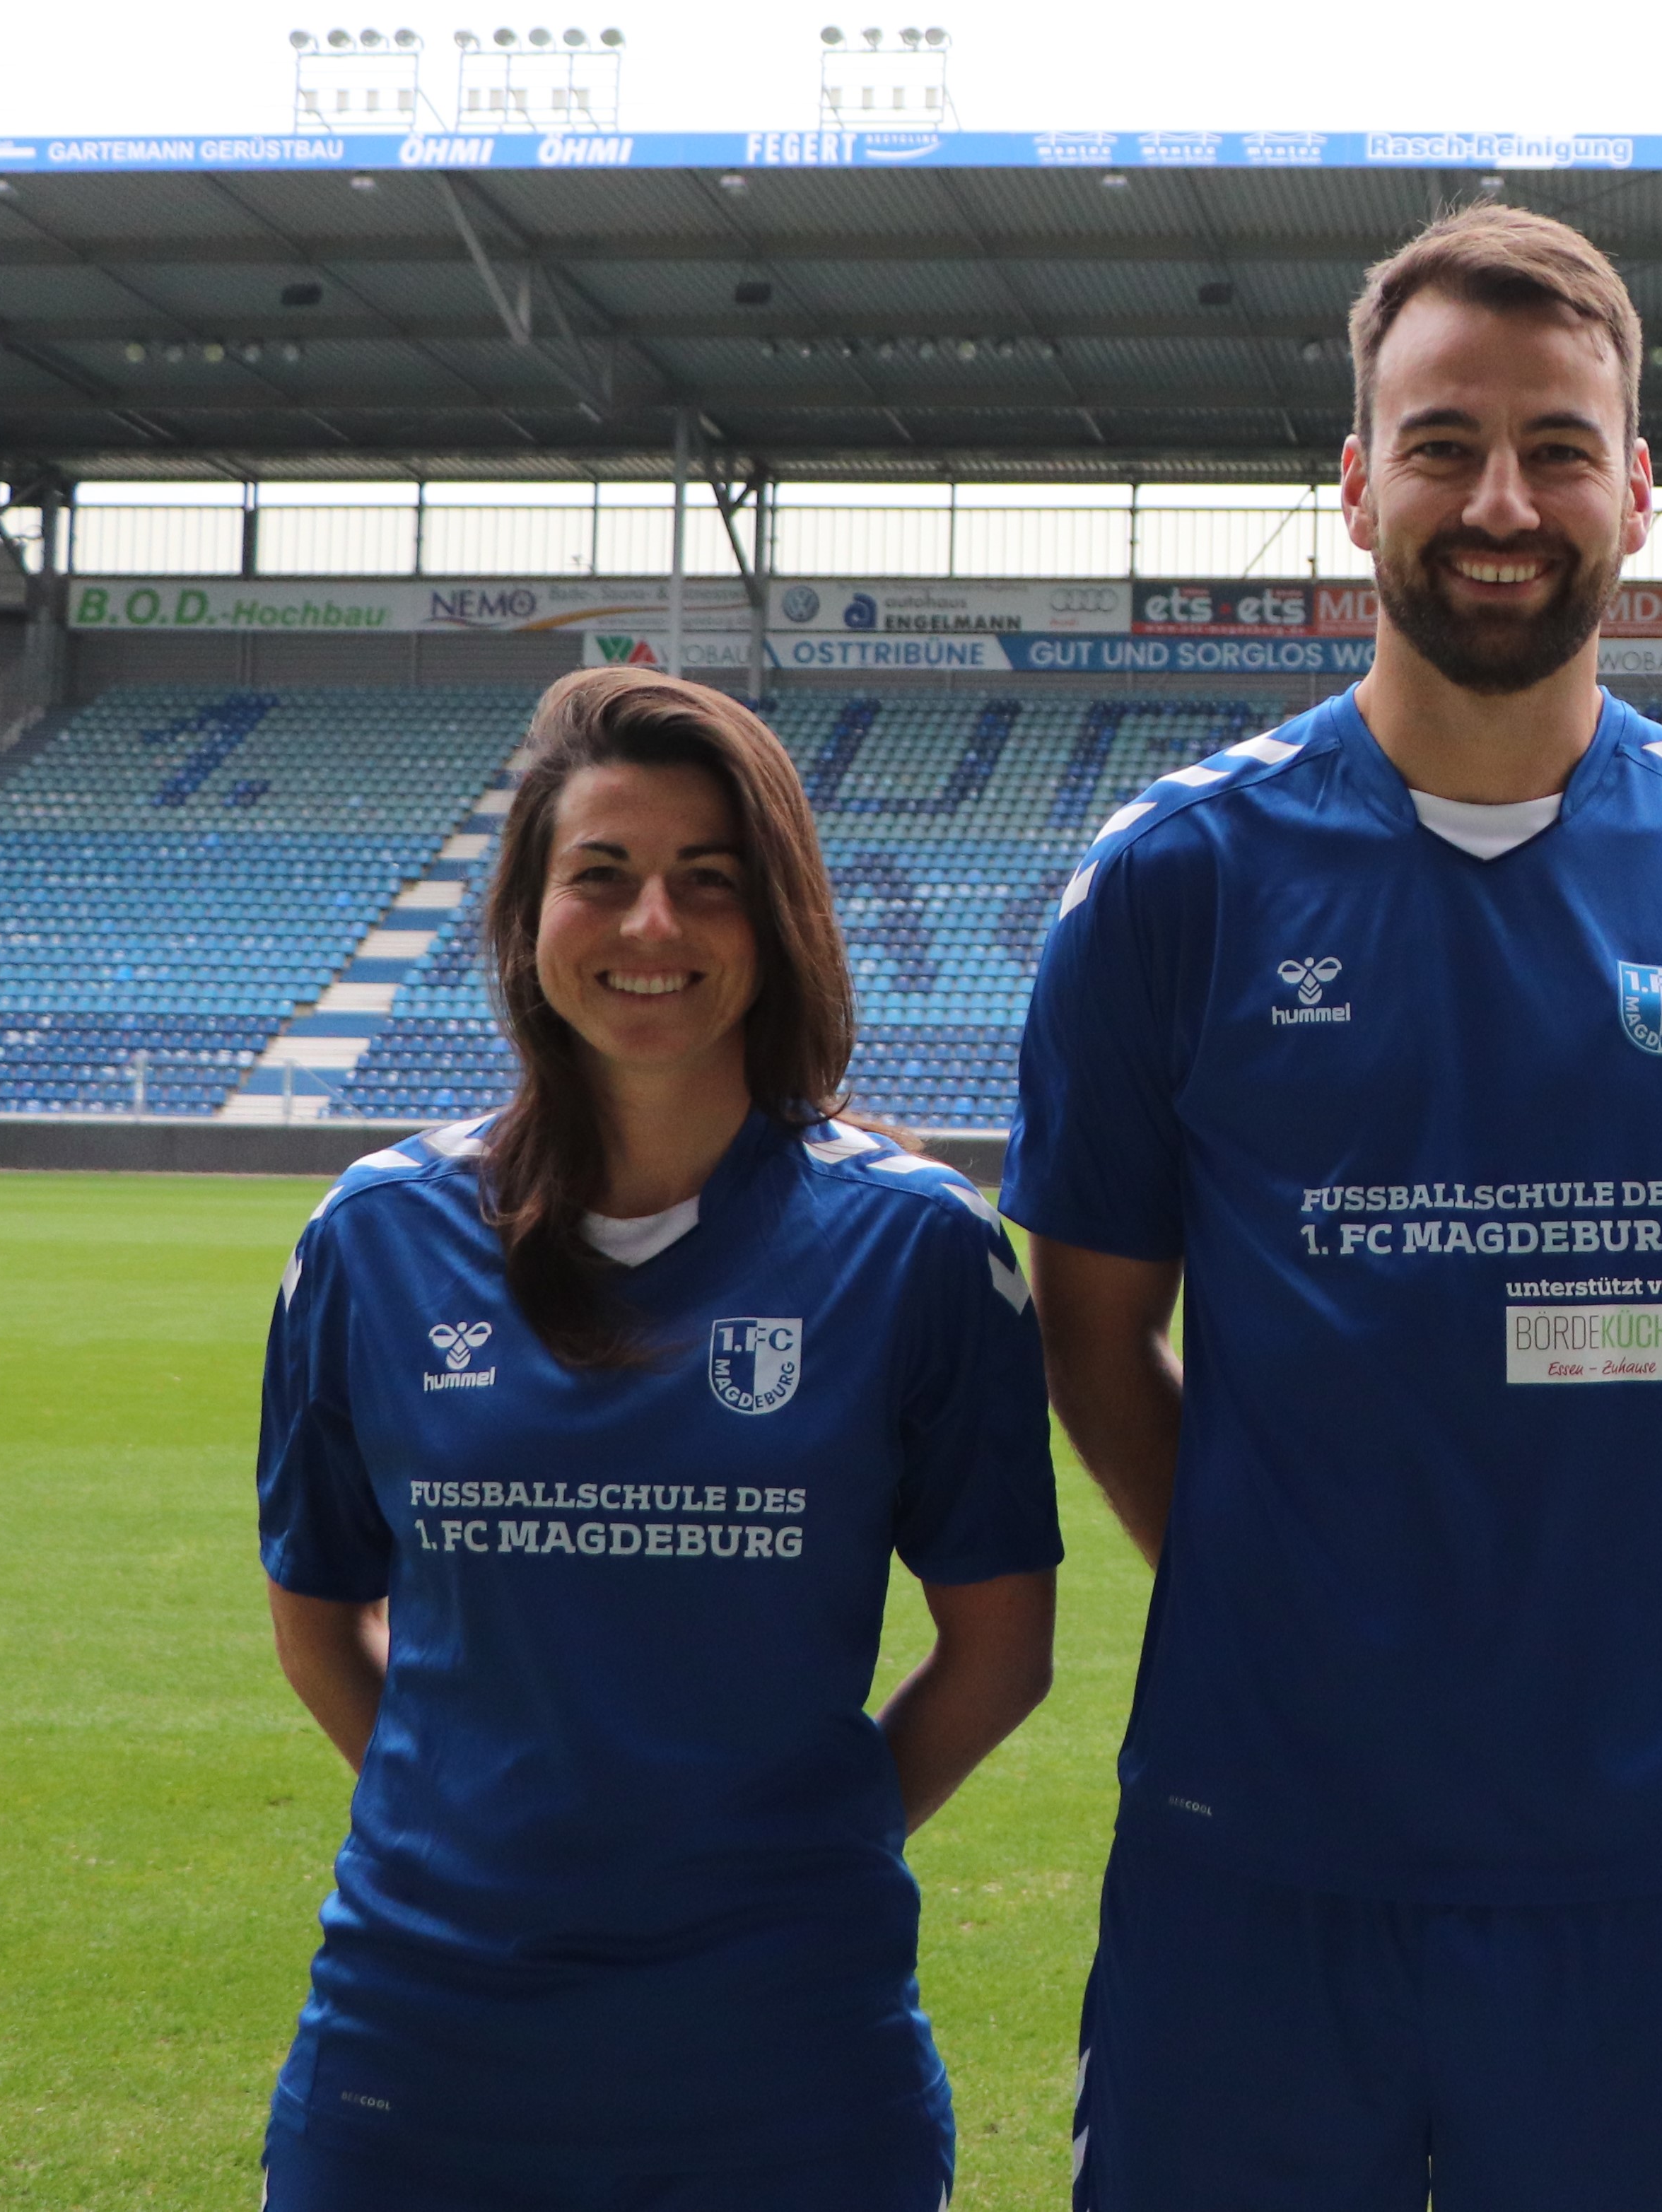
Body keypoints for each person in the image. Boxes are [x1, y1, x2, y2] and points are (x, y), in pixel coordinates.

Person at [1007, 204, 1662, 2211]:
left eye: (1555, 448)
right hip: (1256, 1836)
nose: (1500, 501)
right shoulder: (1173, 880)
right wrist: (1279, 1584)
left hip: (1645, 1852)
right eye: (1442, 444)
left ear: (1636, 491)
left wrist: (1648, 1591)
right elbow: (1091, 1331)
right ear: (1355, 485)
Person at [254, 666, 1062, 2211]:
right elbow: (316, 1624)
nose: (651, 925)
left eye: (710, 880)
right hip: (419, 2049)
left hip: (791, 2057)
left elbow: (1001, 1652)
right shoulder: (373, 1238)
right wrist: (475, 1831)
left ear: (781, 917)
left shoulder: (918, 1249)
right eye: (601, 875)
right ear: (525, 913)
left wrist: (792, 1853)